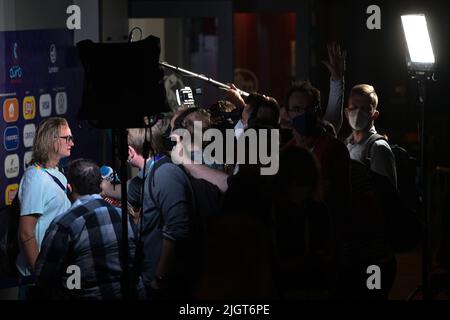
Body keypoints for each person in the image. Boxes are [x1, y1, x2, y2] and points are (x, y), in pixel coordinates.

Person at [34, 159, 143, 299]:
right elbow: (138, 262)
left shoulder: (64, 224)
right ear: (100, 186)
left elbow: (43, 277)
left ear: (69, 188)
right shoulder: (124, 217)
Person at [16, 117, 73, 298]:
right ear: (52, 140)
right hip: (39, 279)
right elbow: (26, 232)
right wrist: (40, 277)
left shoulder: (56, 171)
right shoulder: (36, 179)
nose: (72, 142)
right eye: (67, 138)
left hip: (60, 271)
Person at [344, 84, 398, 188]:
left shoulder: (378, 147)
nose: (358, 112)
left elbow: (387, 195)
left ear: (375, 114)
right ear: (346, 112)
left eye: (364, 109)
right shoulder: (347, 144)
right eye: (354, 107)